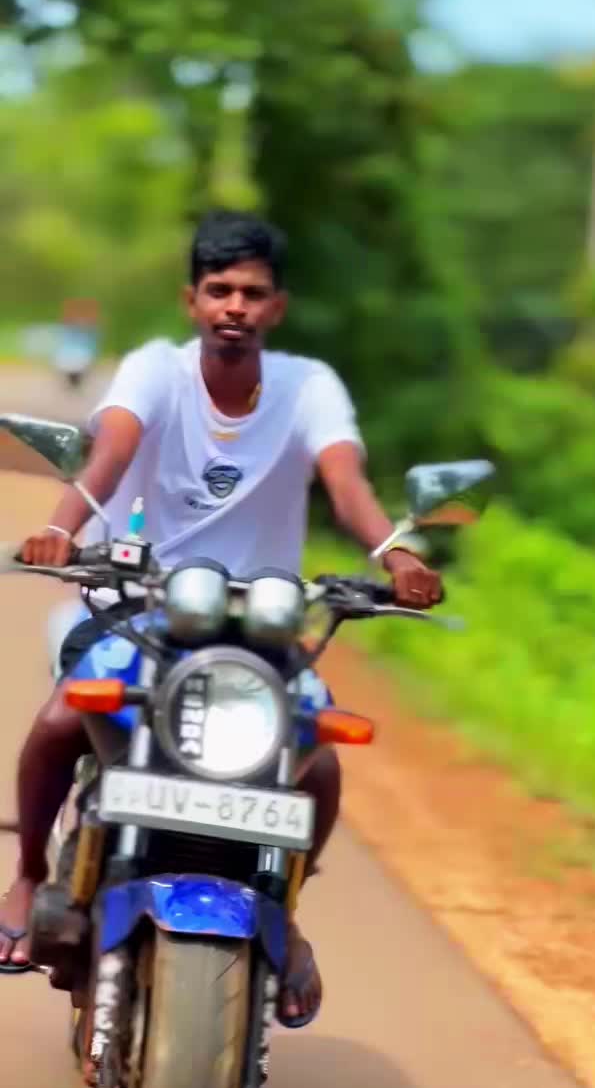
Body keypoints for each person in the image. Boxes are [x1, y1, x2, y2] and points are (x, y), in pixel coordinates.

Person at [0, 209, 443, 1023]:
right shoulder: (154, 371)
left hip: (261, 627)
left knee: (319, 763)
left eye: (252, 292)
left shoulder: (309, 387)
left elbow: (345, 482)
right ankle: (29, 874)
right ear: (192, 300)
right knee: (64, 719)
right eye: (219, 289)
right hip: (143, 605)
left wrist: (397, 556)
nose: (234, 305)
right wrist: (62, 528)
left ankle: (284, 908)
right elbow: (110, 454)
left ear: (277, 307)